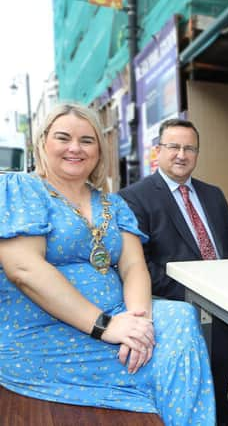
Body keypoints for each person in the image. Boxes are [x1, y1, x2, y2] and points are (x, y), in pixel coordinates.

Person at [0, 104, 215, 425]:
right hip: (45, 332)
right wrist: (106, 327)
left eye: (87, 140)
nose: (75, 148)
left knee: (182, 315)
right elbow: (24, 270)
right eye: (63, 138)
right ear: (43, 142)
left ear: (99, 150)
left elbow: (133, 267)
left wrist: (138, 324)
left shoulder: (112, 204)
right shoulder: (21, 188)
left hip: (119, 317)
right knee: (170, 365)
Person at [119, 118, 228, 426]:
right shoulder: (134, 198)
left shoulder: (213, 194)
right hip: (182, 303)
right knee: (208, 366)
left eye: (189, 148)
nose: (181, 154)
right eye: (174, 146)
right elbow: (141, 265)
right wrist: (196, 295)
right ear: (158, 151)